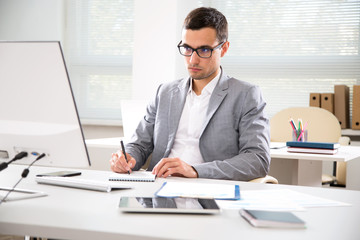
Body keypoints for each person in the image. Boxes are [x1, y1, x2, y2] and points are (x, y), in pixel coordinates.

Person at [110, 7, 270, 181]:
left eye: (204, 50)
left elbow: (257, 159)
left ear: (224, 49)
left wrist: (195, 170)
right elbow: (139, 145)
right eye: (187, 48)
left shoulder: (246, 95)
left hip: (209, 191)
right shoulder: (165, 92)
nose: (193, 60)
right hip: (157, 190)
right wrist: (128, 158)